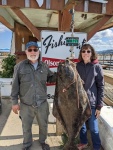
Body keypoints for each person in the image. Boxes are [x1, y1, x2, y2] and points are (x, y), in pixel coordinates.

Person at [11, 41, 56, 150]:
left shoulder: (44, 66)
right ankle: (27, 144)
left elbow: (51, 78)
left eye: (35, 49)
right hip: (26, 104)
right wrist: (14, 103)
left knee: (43, 125)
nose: (32, 52)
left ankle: (43, 141)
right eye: (30, 50)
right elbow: (15, 85)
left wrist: (62, 74)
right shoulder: (19, 67)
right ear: (26, 52)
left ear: (38, 51)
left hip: (42, 103)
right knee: (26, 127)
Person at [76, 44, 104, 150]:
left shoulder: (97, 66)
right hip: (79, 103)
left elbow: (101, 86)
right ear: (81, 53)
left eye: (88, 51)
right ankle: (84, 142)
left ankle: (96, 147)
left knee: (93, 128)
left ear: (91, 53)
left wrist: (99, 106)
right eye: (83, 51)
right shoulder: (77, 66)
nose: (86, 53)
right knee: (81, 126)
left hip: (92, 103)